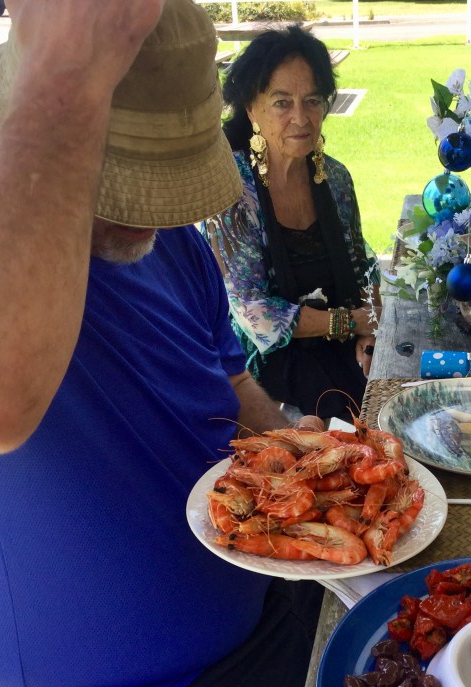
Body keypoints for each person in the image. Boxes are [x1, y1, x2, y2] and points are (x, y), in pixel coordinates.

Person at [0, 2, 325, 687]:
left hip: (268, 600)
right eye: (121, 181)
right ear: (35, 122)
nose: (154, 211)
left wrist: (300, 446)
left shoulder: (171, 242)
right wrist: (65, 85)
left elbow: (228, 382)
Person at [205, 26, 380, 422]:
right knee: (344, 421)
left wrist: (370, 332)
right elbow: (255, 313)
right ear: (252, 109)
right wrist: (351, 322)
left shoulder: (336, 179)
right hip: (264, 364)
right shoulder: (231, 192)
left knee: (394, 391)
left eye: (312, 101)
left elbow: (364, 268)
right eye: (282, 102)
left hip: (340, 343)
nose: (300, 118)